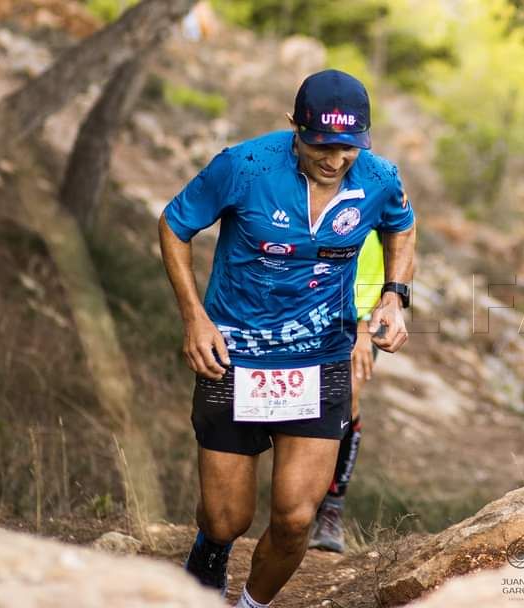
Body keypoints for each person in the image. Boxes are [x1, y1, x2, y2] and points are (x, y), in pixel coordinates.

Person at [158, 69, 416, 608]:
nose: (335, 158)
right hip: (233, 356)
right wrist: (193, 318)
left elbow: (402, 225)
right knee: (228, 518)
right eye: (322, 143)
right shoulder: (244, 166)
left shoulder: (380, 177)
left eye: (349, 147)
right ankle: (212, 547)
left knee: (297, 518)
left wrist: (393, 294)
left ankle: (251, 605)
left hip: (320, 358)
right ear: (293, 127)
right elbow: (175, 225)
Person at [308, 230, 385, 552]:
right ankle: (297, 505)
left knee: (346, 397)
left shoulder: (383, 188)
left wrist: (366, 326)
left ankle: (332, 510)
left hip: (359, 321)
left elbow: (402, 260)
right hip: (307, 311)